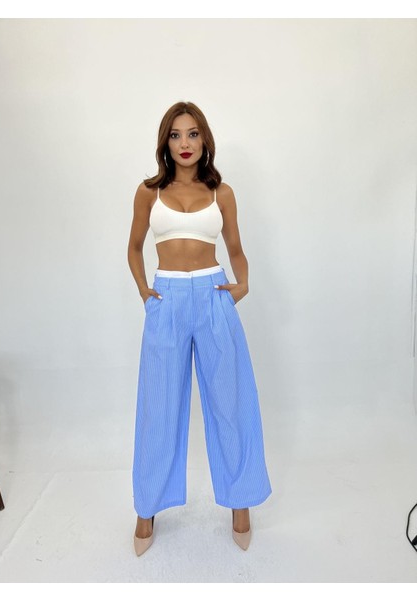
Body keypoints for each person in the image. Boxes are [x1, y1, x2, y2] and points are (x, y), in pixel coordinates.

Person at [127, 101, 272, 556]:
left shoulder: (221, 192)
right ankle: (147, 508)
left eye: (192, 134)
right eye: (175, 135)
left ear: (204, 139)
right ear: (165, 143)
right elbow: (134, 247)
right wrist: (145, 292)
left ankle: (241, 503)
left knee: (231, 401)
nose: (184, 143)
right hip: (167, 299)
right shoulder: (148, 192)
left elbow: (236, 248)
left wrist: (242, 284)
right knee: (158, 406)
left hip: (213, 296)